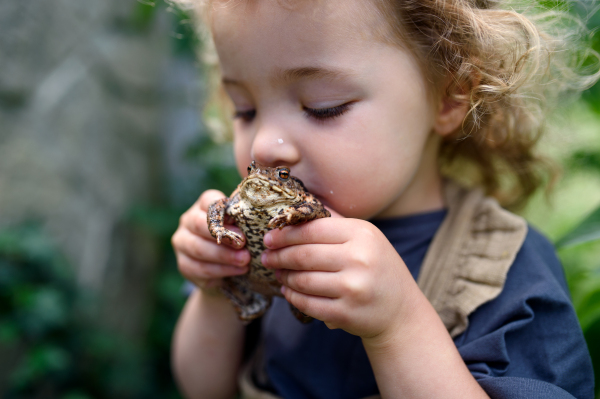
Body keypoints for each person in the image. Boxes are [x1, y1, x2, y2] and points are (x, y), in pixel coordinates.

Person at [170, 0, 598, 398]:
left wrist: (398, 326)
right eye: (244, 109)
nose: (264, 145)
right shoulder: (266, 244)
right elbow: (205, 388)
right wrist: (217, 290)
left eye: (324, 106)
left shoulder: (505, 270)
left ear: (448, 98)